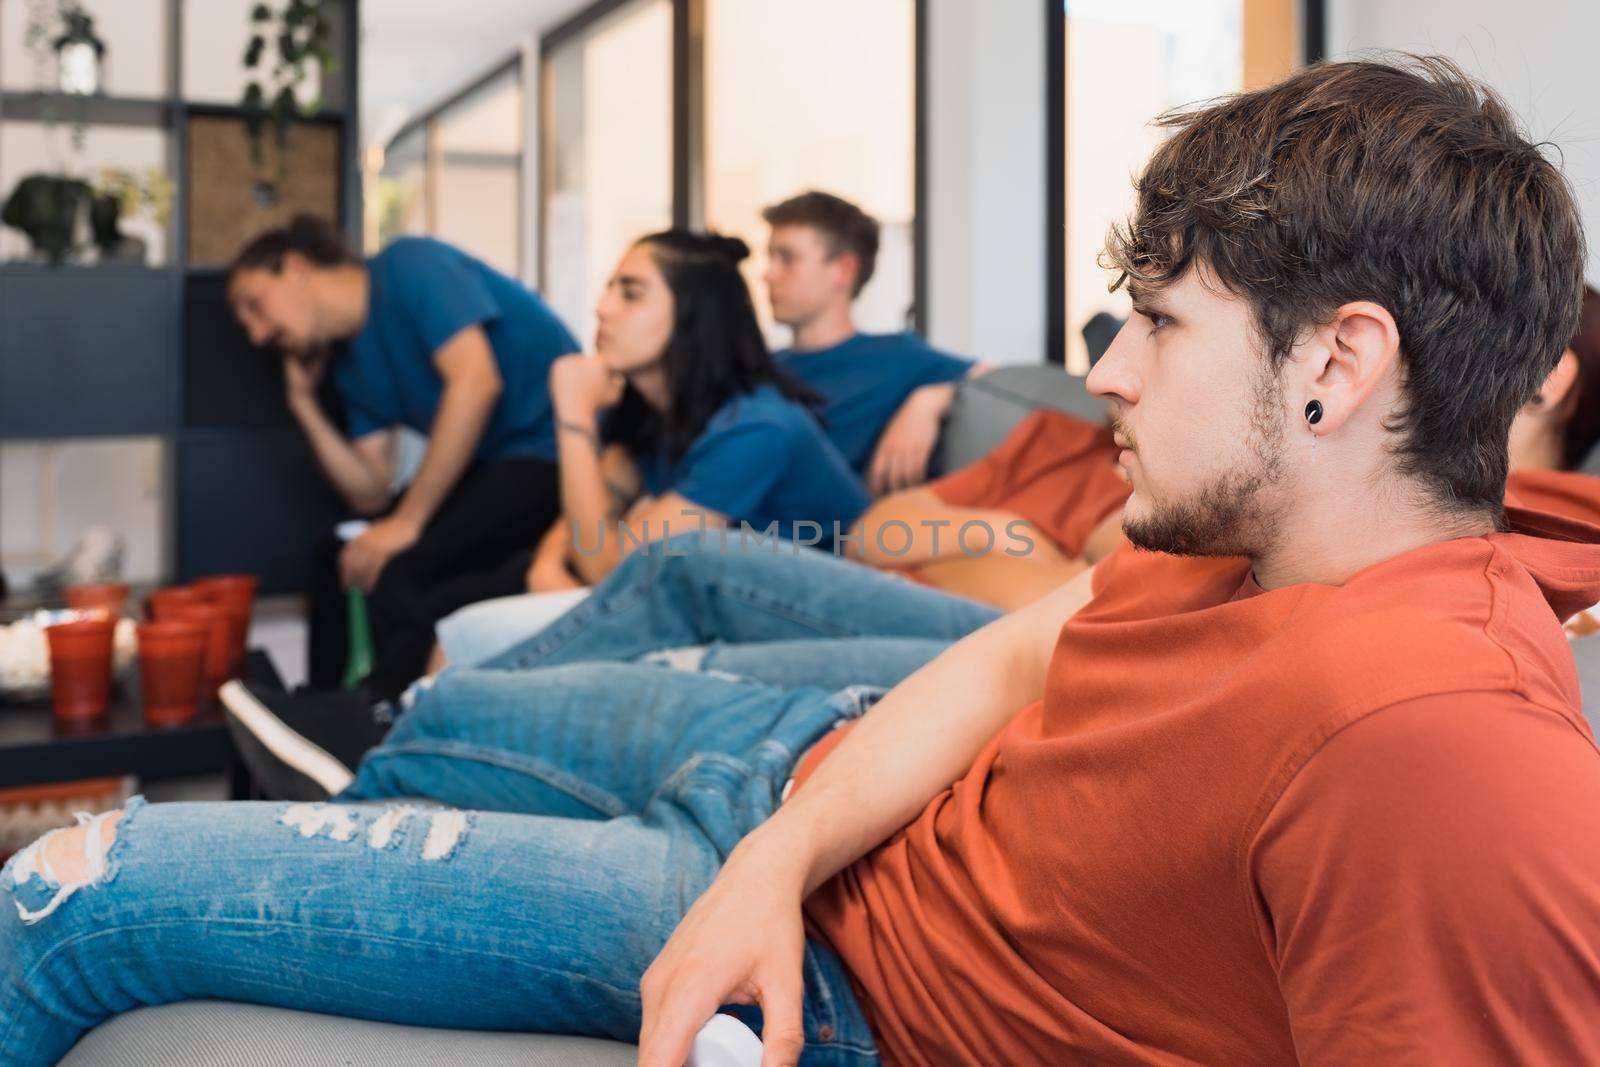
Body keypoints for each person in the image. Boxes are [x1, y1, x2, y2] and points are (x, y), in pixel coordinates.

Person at [7, 56, 1600, 1067]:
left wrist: (764, 894)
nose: (1105, 374)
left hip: (838, 978)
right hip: (796, 820)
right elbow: (1006, 653)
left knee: (69, 892)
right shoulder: (1243, 542)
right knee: (434, 731)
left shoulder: (1439, 750)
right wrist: (777, 853)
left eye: (1160, 326)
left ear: (1340, 364)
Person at [227, 218, 581, 699]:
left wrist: (409, 521)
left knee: (403, 569)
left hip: (552, 452)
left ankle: (378, 726)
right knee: (332, 560)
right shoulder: (351, 364)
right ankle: (324, 714)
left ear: (295, 267)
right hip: (492, 466)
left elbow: (477, 383)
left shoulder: (411, 265)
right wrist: (302, 403)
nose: (257, 334)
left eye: (256, 306)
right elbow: (369, 489)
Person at [762, 191, 989, 494]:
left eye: (787, 259)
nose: (768, 274)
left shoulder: (898, 358)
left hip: (821, 536)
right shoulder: (759, 369)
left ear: (844, 270)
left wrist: (932, 400)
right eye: (770, 257)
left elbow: (1002, 382)